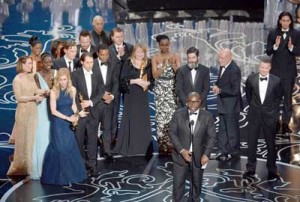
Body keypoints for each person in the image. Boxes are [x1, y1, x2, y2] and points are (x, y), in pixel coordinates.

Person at [41, 68, 87, 185]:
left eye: (65, 79)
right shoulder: (53, 92)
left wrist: (77, 114)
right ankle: (57, 177)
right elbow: (53, 111)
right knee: (59, 148)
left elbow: (73, 105)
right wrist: (68, 118)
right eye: (60, 80)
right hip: (58, 123)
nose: (63, 82)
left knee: (69, 147)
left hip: (69, 122)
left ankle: (70, 175)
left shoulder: (72, 90)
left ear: (68, 79)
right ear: (57, 80)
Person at [169, 92, 216, 202]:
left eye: (195, 101)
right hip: (180, 156)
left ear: (200, 102)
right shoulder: (178, 114)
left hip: (199, 156)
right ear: (187, 102)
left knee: (196, 185)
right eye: (190, 101)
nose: (193, 104)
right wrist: (181, 150)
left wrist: (206, 154)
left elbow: (212, 137)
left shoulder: (207, 116)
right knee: (178, 185)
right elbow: (172, 133)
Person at [243, 57, 282, 181]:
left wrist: (273, 113)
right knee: (252, 143)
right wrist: (255, 107)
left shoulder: (276, 81)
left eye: (266, 67)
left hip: (269, 116)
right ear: (259, 67)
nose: (264, 70)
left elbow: (278, 98)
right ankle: (250, 169)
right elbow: (248, 95)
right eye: (262, 67)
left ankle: (272, 170)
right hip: (254, 115)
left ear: (270, 68)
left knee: (270, 144)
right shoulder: (251, 79)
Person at [113, 44, 154, 156]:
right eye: (138, 52)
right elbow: (122, 80)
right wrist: (136, 81)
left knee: (142, 119)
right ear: (134, 52)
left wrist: (147, 83)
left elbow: (152, 80)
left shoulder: (148, 63)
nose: (140, 54)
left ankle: (143, 148)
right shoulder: (128, 63)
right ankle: (129, 147)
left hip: (142, 95)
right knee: (130, 117)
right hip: (131, 94)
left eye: (142, 52)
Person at [7, 56, 45, 176]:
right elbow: (19, 98)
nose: (31, 66)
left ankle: (31, 166)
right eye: (29, 64)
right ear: (22, 65)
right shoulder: (17, 79)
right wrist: (34, 98)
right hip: (23, 112)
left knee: (31, 139)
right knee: (23, 140)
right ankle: (22, 166)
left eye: (31, 64)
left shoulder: (30, 77)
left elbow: (35, 90)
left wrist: (45, 91)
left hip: (33, 111)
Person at [266, 11, 300, 134]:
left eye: (288, 20)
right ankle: (275, 123)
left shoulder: (296, 34)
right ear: (280, 21)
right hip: (275, 72)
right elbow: (268, 51)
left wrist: (291, 47)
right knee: (275, 100)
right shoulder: (273, 33)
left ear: (291, 22)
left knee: (287, 101)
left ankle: (285, 124)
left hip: (289, 73)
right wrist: (275, 45)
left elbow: (299, 51)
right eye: (283, 20)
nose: (285, 23)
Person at [71, 52, 104, 176]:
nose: (90, 65)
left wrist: (90, 102)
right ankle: (81, 166)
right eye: (88, 62)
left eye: (92, 62)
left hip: (93, 112)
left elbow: (101, 91)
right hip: (80, 114)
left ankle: (92, 165)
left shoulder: (97, 73)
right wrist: (79, 110)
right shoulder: (75, 74)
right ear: (82, 62)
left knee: (92, 141)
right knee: (79, 140)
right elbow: (72, 94)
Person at [151, 34, 181, 155]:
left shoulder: (175, 56)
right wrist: (163, 66)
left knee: (172, 117)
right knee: (161, 118)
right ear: (159, 45)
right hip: (160, 91)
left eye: (167, 45)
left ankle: (172, 144)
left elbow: (179, 73)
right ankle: (163, 145)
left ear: (169, 45)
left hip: (172, 90)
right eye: (162, 45)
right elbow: (154, 75)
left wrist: (173, 64)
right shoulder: (155, 57)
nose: (165, 47)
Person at [212, 48, 242, 161]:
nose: (220, 60)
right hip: (223, 104)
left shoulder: (234, 70)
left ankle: (233, 153)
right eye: (219, 57)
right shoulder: (223, 65)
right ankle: (222, 151)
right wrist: (216, 85)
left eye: (222, 58)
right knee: (223, 130)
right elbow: (222, 81)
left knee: (231, 131)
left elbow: (235, 91)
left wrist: (220, 91)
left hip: (231, 105)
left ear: (230, 57)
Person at [93, 44, 120, 160]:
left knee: (107, 128)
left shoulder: (113, 64)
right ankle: (92, 153)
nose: (104, 57)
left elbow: (116, 82)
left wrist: (112, 96)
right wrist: (102, 95)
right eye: (102, 55)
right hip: (95, 101)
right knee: (93, 127)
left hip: (109, 101)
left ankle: (107, 152)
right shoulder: (91, 64)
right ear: (98, 54)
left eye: (106, 55)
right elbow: (89, 83)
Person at [108, 27, 133, 139]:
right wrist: (119, 56)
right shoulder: (108, 50)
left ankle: (129, 136)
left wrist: (124, 56)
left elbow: (132, 65)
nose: (120, 39)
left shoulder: (130, 47)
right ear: (112, 37)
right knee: (114, 113)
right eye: (117, 37)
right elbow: (110, 67)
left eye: (121, 36)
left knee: (130, 111)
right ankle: (113, 138)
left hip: (128, 84)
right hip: (115, 86)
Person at [31, 53, 53, 179]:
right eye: (46, 62)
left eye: (50, 61)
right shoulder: (36, 75)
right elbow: (35, 92)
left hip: (53, 106)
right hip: (41, 108)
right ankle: (40, 166)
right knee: (42, 134)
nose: (49, 64)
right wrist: (46, 93)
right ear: (41, 63)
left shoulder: (55, 73)